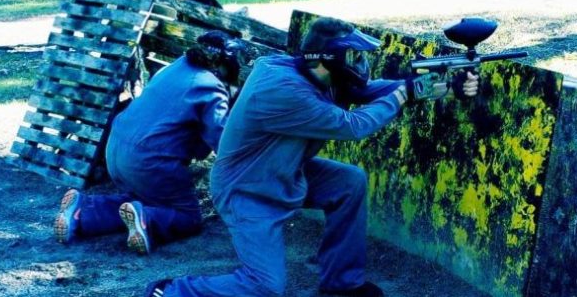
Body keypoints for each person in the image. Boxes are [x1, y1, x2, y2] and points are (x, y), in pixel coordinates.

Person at [144, 17, 479, 297]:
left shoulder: (313, 71)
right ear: (324, 60)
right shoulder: (283, 91)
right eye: (350, 57)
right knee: (264, 285)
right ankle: (172, 291)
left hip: (284, 171)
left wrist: (445, 86)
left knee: (348, 182)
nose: (358, 64)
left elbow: (365, 90)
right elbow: (353, 124)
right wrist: (405, 92)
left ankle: (342, 282)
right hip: (246, 191)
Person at [53, 30, 245, 255]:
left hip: (116, 150)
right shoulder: (210, 87)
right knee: (187, 216)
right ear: (226, 62)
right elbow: (223, 142)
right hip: (149, 160)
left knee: (144, 197)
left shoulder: (174, 68)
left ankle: (82, 211)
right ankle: (147, 219)